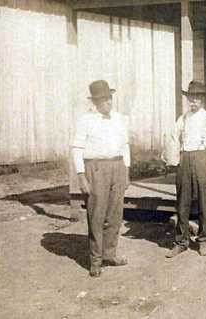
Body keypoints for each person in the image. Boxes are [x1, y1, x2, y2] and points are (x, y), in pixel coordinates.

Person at [71, 80, 131, 277]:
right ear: (95, 102)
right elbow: (77, 148)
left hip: (117, 166)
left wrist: (126, 171)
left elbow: (125, 145)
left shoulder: (119, 119)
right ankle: (96, 261)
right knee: (96, 215)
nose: (108, 103)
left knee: (115, 214)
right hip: (95, 169)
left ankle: (110, 254)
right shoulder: (85, 120)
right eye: (103, 99)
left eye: (109, 98)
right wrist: (81, 176)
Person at [165, 81, 206, 258]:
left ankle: (203, 240)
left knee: (204, 202)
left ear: (203, 99)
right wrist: (173, 160)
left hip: (202, 158)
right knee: (182, 202)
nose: (194, 101)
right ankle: (181, 241)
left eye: (197, 98)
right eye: (191, 97)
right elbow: (172, 139)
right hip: (185, 159)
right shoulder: (182, 118)